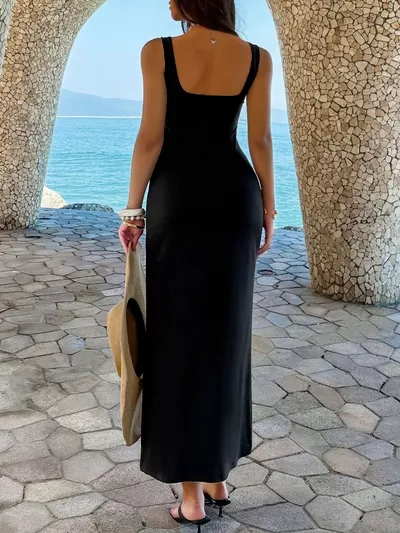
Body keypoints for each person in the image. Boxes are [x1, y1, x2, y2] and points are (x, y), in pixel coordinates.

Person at [118, 0, 275, 529]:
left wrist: (133, 209)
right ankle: (216, 476)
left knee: (177, 338)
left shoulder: (158, 52)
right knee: (226, 336)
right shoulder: (257, 57)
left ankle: (191, 497)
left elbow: (151, 137)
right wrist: (269, 209)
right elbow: (259, 141)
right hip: (235, 200)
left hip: (179, 201)